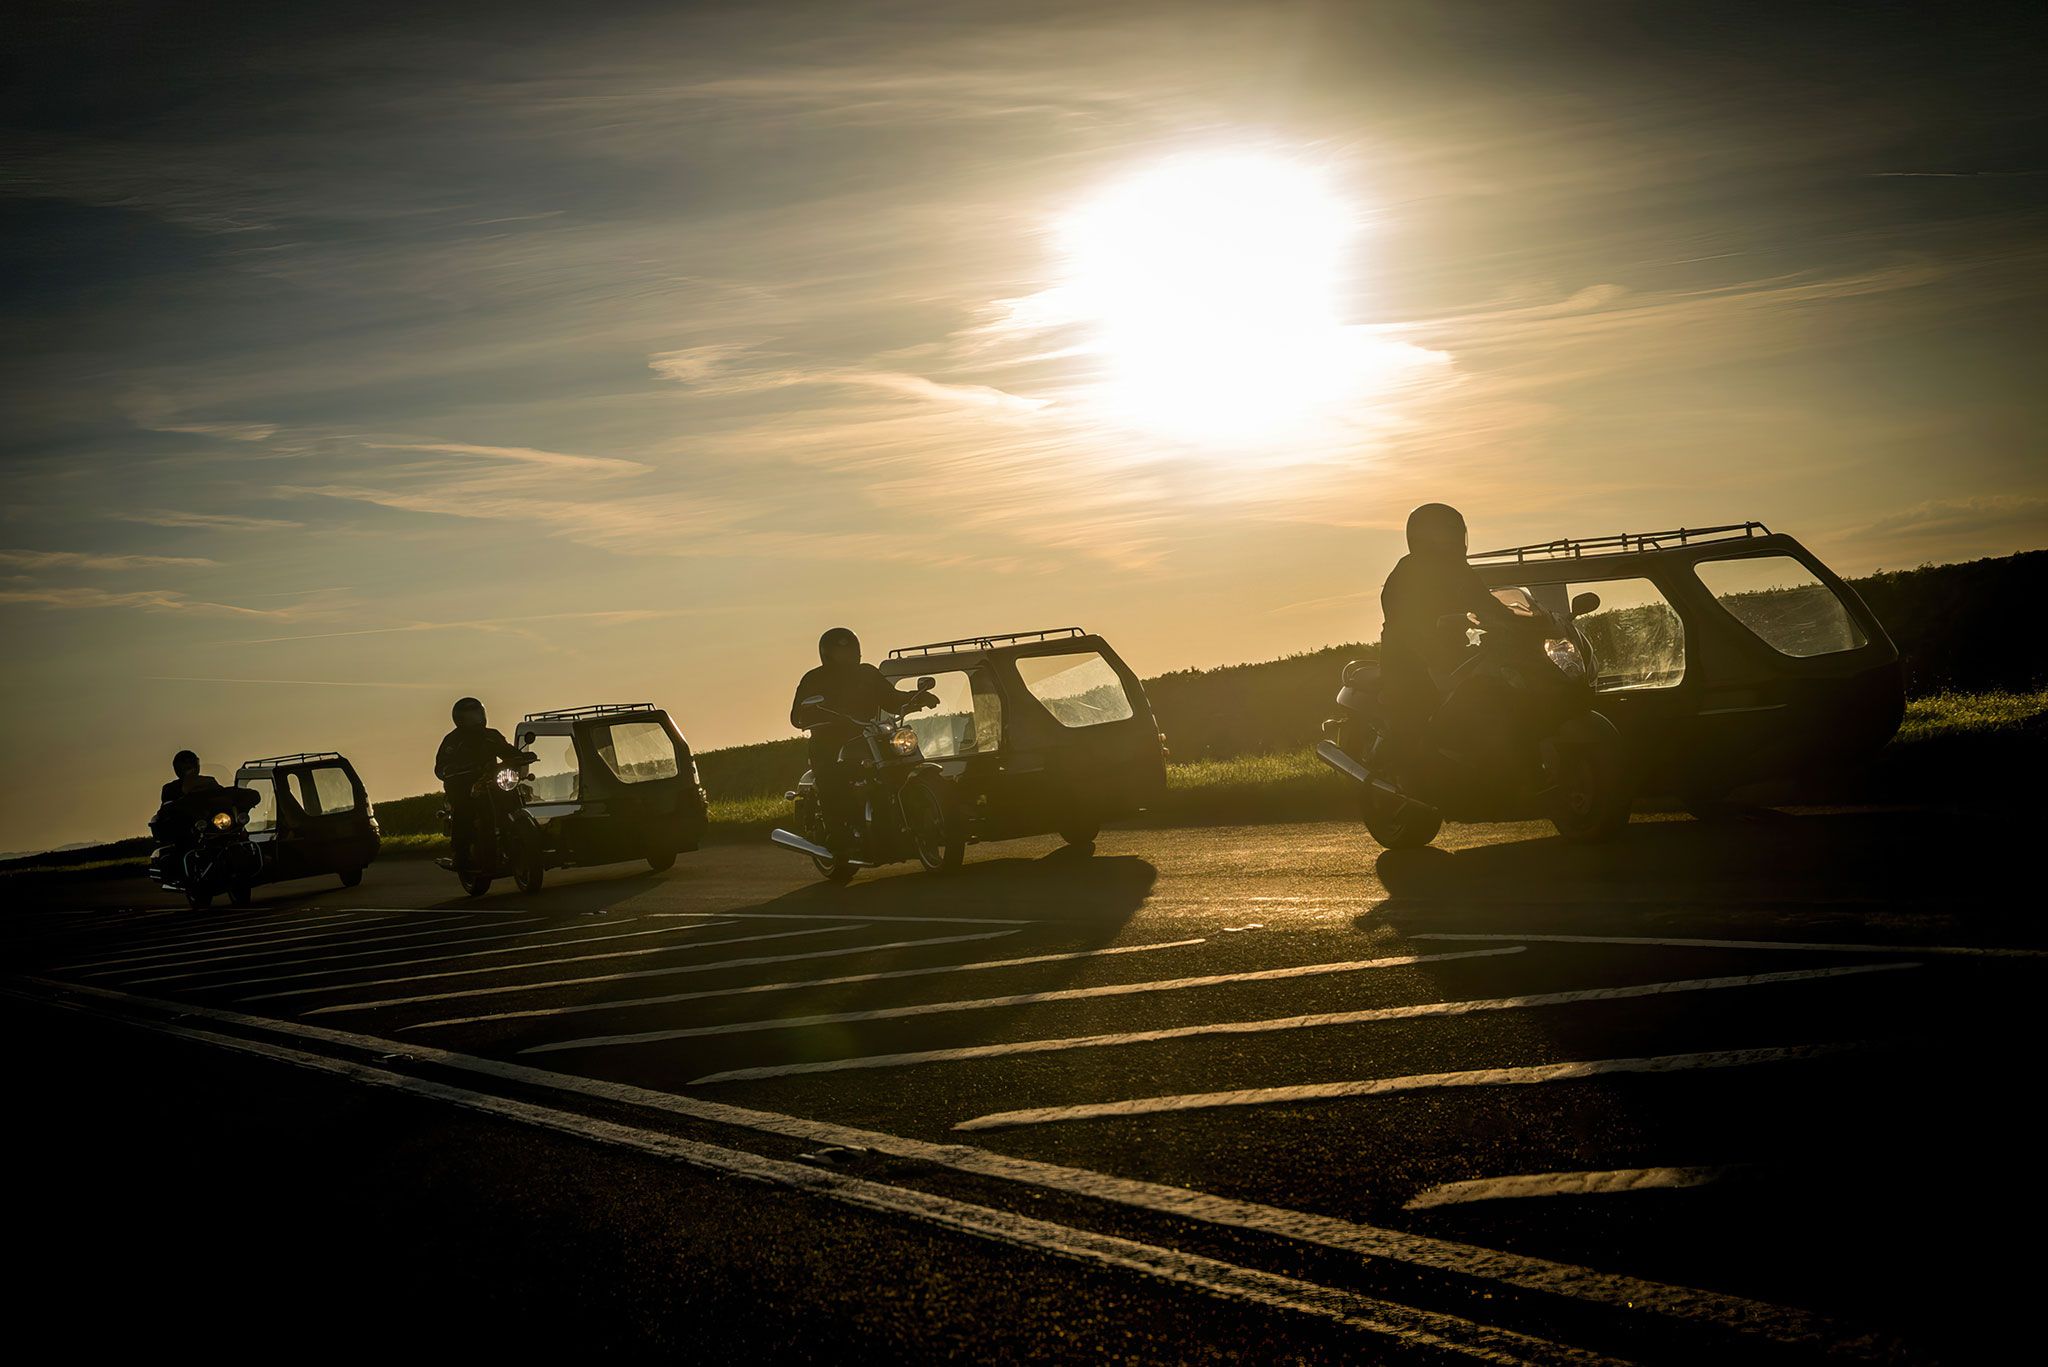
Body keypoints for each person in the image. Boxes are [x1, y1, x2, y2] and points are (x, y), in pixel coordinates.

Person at [1377, 504, 1521, 763]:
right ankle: (1404, 768)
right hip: (1410, 657)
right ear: (1424, 538)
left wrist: (1516, 620)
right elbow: (1404, 620)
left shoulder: (1461, 571)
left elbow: (1486, 603)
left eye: (1455, 534)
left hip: (1456, 654)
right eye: (1446, 535)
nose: (1453, 541)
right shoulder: (1407, 574)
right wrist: (1433, 631)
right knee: (1416, 707)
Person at [789, 628, 938, 851]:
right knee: (832, 781)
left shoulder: (867, 674)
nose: (849, 657)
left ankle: (909, 820)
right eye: (842, 653)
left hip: (869, 737)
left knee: (902, 764)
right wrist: (813, 714)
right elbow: (797, 717)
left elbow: (890, 699)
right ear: (827, 655)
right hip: (830, 743)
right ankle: (838, 840)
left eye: (851, 651)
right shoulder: (814, 679)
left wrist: (915, 698)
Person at [434, 697, 528, 871]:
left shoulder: (491, 736)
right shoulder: (453, 741)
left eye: (477, 714)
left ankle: (521, 841)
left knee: (515, 796)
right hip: (464, 785)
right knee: (463, 811)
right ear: (460, 719)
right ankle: (461, 856)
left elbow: (506, 750)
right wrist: (451, 769)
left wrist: (521, 756)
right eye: (470, 717)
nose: (476, 719)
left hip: (492, 781)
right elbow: (440, 767)